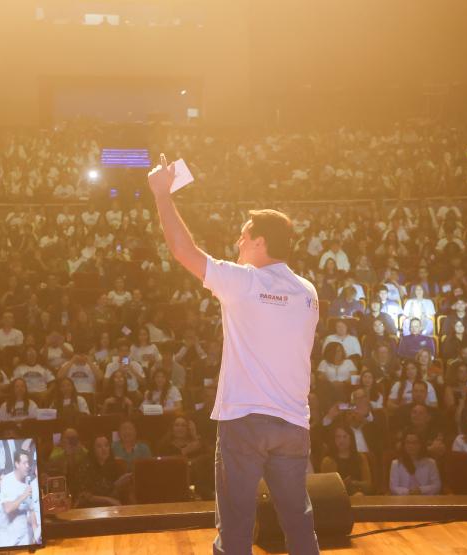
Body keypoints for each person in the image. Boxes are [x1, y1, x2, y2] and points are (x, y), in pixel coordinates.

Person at [148, 156, 320, 554]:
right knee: (299, 523)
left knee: (237, 529)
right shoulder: (308, 291)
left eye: (244, 237)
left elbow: (182, 250)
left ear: (260, 242)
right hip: (293, 424)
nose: (238, 243)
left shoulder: (244, 281)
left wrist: (161, 195)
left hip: (244, 421)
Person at [0, 449, 38, 545]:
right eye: (24, 463)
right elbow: (7, 508)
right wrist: (24, 495)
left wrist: (36, 533)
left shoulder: (28, 482)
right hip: (9, 538)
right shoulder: (7, 481)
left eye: (28, 463)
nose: (28, 466)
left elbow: (31, 510)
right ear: (17, 464)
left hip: (25, 537)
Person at [319, 425, 372, 496]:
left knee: (359, 495)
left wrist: (354, 483)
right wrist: (343, 484)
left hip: (360, 495)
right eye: (338, 437)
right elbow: (326, 488)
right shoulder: (328, 461)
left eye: (345, 436)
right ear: (334, 439)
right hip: (338, 498)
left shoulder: (361, 457)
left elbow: (368, 485)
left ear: (351, 439)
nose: (341, 440)